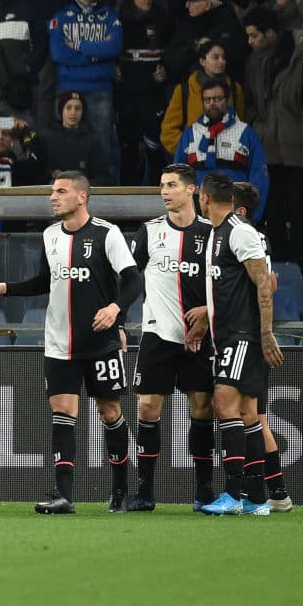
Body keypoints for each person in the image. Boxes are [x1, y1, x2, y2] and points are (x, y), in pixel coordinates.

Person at [0, 172, 143, 513]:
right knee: (63, 412)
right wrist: (3, 288)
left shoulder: (106, 233)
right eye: (52, 191)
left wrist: (116, 310)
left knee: (110, 411)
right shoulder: (50, 234)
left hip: (100, 342)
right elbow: (43, 281)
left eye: (61, 191)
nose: (53, 197)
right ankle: (63, 494)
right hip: (59, 343)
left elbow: (132, 280)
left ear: (81, 197)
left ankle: (120, 488)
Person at [185, 172, 282, 516]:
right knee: (248, 414)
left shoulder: (239, 231)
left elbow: (263, 283)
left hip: (242, 334)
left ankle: (232, 494)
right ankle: (257, 498)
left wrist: (266, 333)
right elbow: (225, 289)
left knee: (225, 403)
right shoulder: (217, 232)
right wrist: (204, 323)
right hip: (225, 334)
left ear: (204, 198)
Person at [122, 164, 215, 511]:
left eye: (172, 185)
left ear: (191, 190)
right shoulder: (149, 231)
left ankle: (204, 490)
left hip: (198, 337)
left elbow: (225, 282)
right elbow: (130, 279)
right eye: (162, 185)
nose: (165, 192)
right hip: (157, 333)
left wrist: (207, 312)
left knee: (203, 408)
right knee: (147, 406)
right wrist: (118, 318)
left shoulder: (210, 233)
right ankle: (145, 490)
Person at [231, 181, 292, 512]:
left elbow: (267, 284)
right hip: (250, 334)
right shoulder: (257, 238)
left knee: (250, 416)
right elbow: (272, 281)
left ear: (239, 210)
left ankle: (255, 489)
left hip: (248, 336)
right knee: (256, 417)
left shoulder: (244, 237)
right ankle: (277, 492)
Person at [242, 6, 303, 270]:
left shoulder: (299, 55)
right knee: (274, 209)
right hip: (268, 146)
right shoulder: (254, 61)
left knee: (300, 208)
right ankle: (281, 265)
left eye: (254, 35)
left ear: (270, 33)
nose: (250, 41)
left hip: (299, 148)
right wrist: (257, 126)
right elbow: (250, 101)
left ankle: (299, 264)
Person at [48, 0, 123, 184]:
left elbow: (114, 47)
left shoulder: (110, 15)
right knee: (66, 146)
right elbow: (59, 53)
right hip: (68, 90)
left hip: (100, 91)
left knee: (103, 147)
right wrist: (97, 55)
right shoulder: (61, 16)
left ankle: (107, 198)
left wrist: (79, 46)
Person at [172, 77, 268, 222]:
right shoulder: (190, 133)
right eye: (207, 100)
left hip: (235, 213)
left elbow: (259, 177)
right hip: (197, 214)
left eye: (217, 99)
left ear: (228, 100)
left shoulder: (246, 133)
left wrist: (252, 217)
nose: (212, 103)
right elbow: (177, 176)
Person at [115, 0, 171, 185]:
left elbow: (173, 51)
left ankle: (158, 194)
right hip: (126, 94)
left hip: (153, 94)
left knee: (154, 147)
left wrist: (166, 70)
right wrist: (112, 67)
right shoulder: (117, 22)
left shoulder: (162, 19)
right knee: (128, 147)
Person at [159, 38, 246, 158]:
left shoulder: (235, 89)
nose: (221, 61)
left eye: (223, 57)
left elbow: (241, 126)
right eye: (215, 57)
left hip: (227, 159)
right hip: (194, 161)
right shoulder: (185, 90)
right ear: (202, 61)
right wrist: (190, 150)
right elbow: (168, 131)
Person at [21, 91, 110, 185]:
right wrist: (51, 173)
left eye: (78, 108)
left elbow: (104, 177)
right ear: (61, 110)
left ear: (83, 112)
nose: (73, 112)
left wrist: (82, 184)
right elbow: (35, 168)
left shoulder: (92, 140)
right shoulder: (46, 136)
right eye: (68, 107)